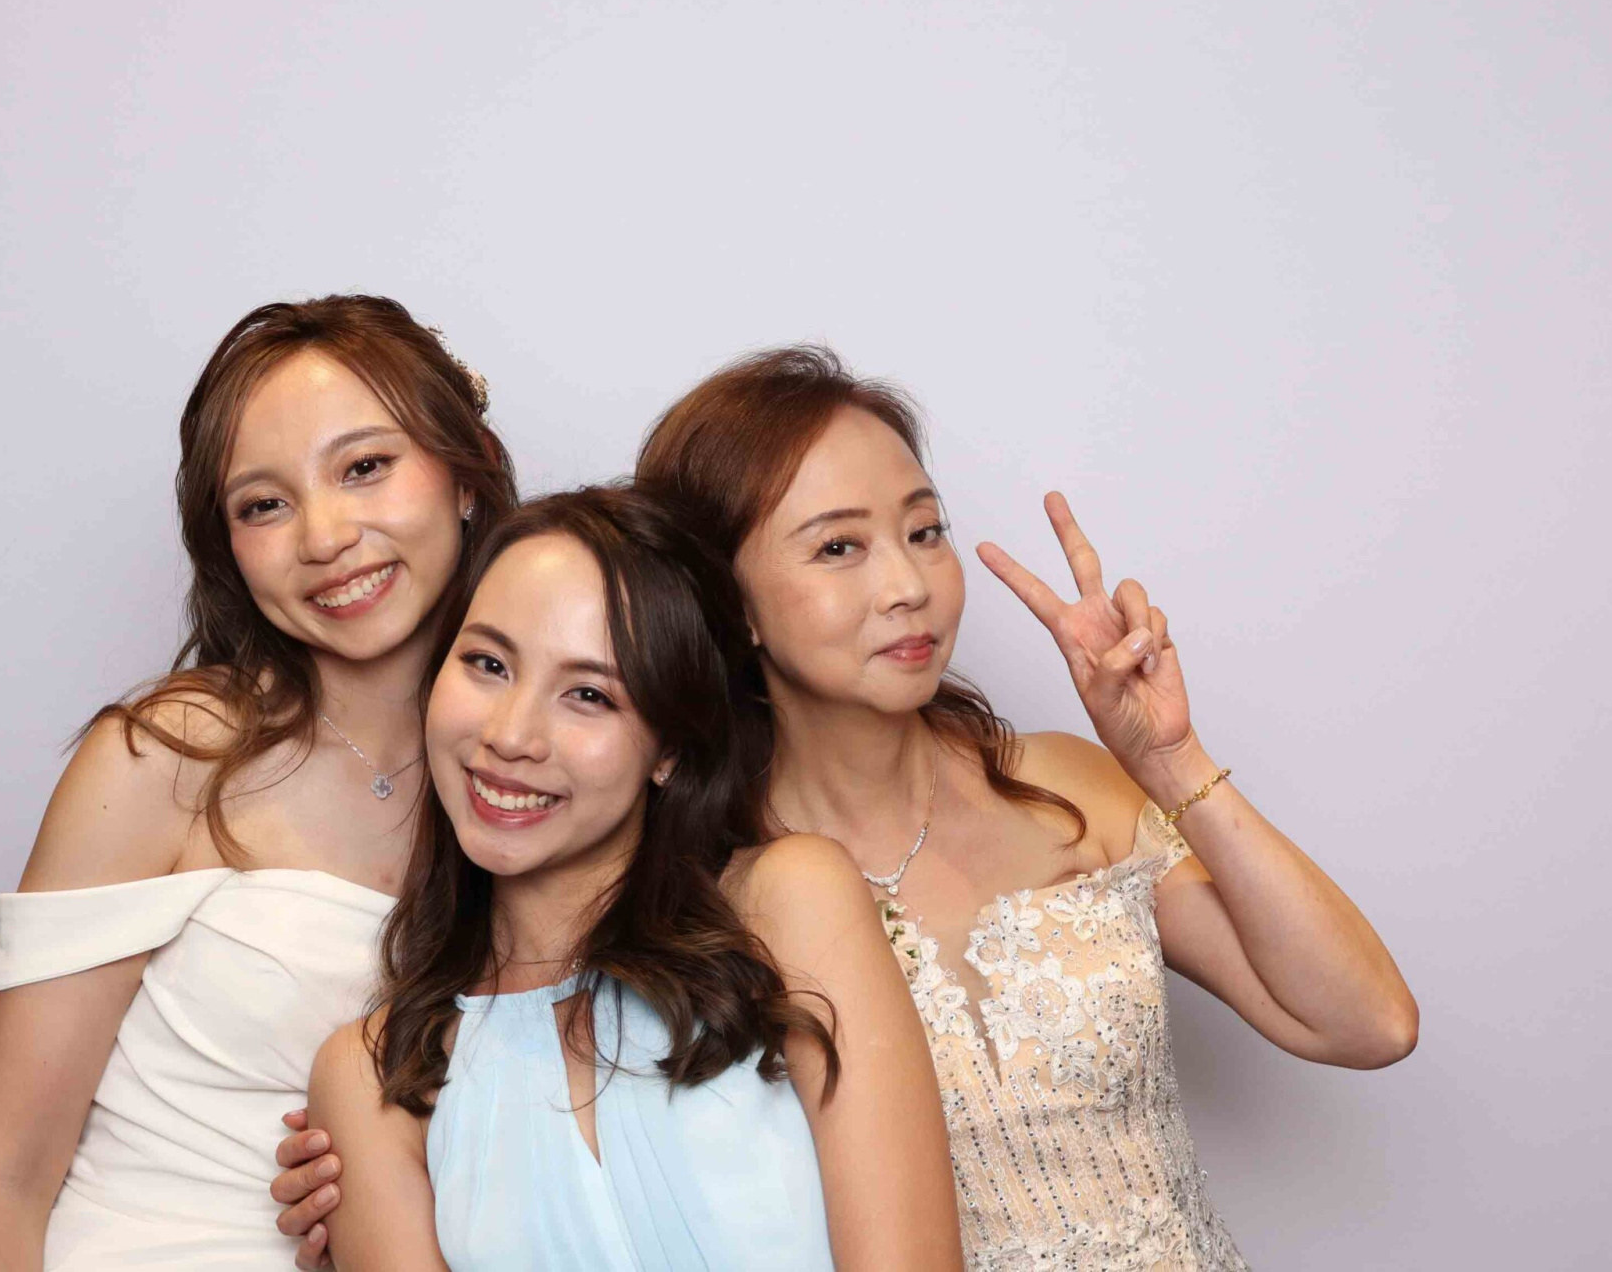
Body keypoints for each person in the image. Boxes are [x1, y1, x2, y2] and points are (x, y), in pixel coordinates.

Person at [277, 347, 1418, 1271]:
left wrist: (1169, 761)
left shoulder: (1060, 785)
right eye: (838, 546)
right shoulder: (714, 880)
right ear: (731, 607)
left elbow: (1362, 1023)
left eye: (922, 530)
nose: (906, 583)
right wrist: (376, 1190)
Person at [0, 295, 516, 1270]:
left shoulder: (545, 779)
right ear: (229, 549)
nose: (325, 534)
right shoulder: (168, 754)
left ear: (464, 474)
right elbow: (6, 1170)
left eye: (364, 467)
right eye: (264, 503)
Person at [305, 485, 963, 1271]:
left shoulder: (787, 904)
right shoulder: (373, 1075)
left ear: (670, 750)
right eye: (486, 663)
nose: (510, 736)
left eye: (588, 695)